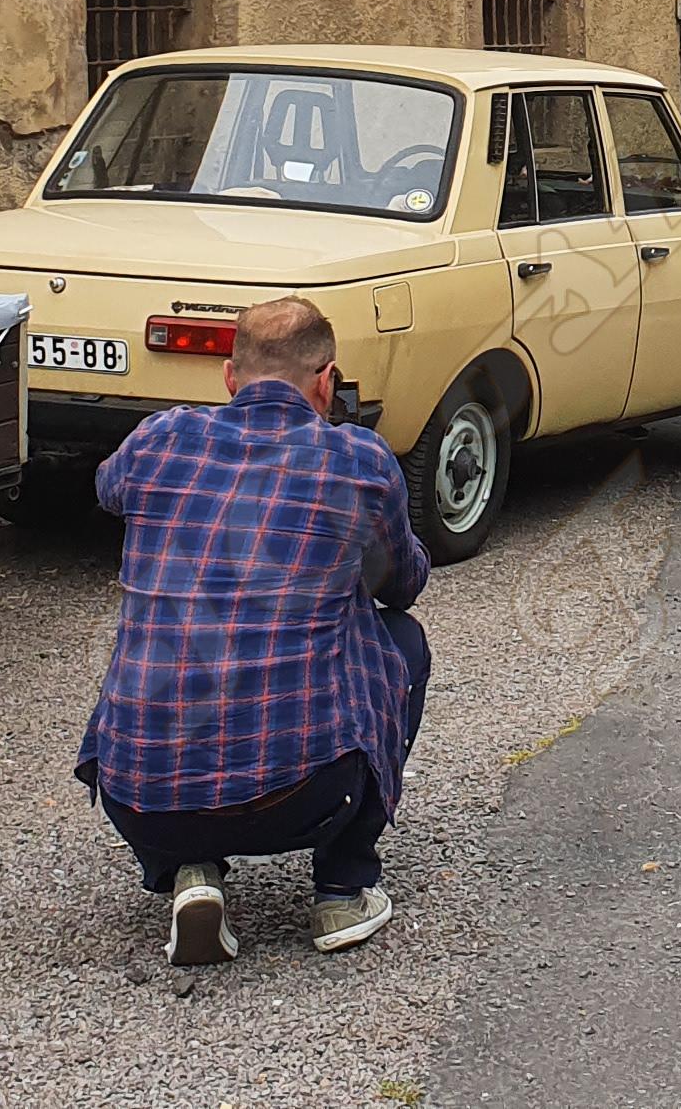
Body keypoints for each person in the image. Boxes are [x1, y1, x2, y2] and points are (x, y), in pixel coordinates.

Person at [76, 296, 432, 965]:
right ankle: (342, 888)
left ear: (229, 378)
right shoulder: (358, 460)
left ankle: (190, 871)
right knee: (400, 640)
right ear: (327, 381)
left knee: (166, 645)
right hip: (300, 799)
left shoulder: (158, 439)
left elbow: (107, 490)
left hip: (140, 802)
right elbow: (402, 585)